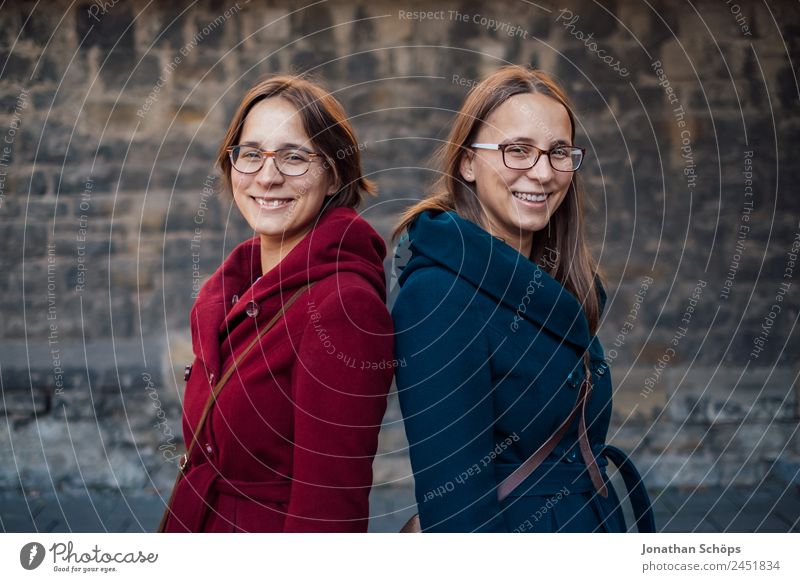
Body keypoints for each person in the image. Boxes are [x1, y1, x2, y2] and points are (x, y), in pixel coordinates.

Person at [392, 65, 654, 532]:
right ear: (467, 162)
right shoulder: (438, 294)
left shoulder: (563, 282)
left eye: (558, 153)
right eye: (517, 150)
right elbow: (458, 511)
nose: (542, 172)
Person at [160, 75, 394, 532]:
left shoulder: (342, 308)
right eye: (251, 155)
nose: (268, 176)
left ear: (333, 177)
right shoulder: (234, 290)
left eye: (294, 157)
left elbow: (328, 514)